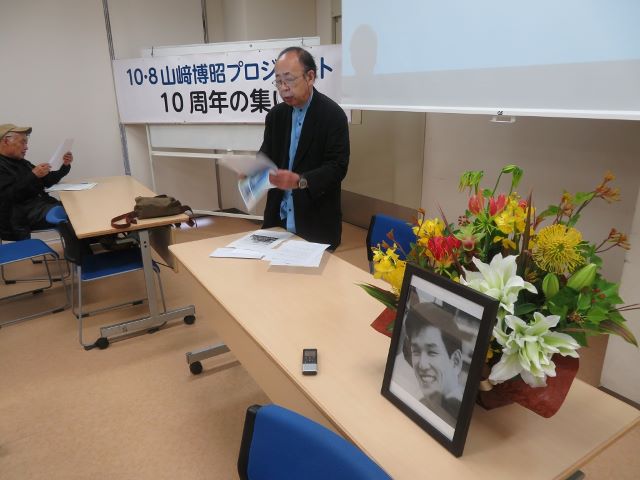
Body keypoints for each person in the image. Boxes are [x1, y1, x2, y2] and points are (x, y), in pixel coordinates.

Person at [260, 46, 350, 250]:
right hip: (278, 219)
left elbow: (337, 167)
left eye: (289, 80)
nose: (283, 88)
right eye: (278, 81)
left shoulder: (333, 115)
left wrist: (301, 181)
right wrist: (254, 170)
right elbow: (266, 154)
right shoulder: (276, 116)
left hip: (315, 222)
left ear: (310, 77)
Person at [0, 124, 73, 240]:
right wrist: (33, 175)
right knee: (71, 216)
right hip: (18, 216)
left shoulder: (22, 162)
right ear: (6, 141)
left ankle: (96, 240)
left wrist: (64, 166)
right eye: (23, 142)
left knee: (76, 208)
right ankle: (81, 250)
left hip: (40, 206)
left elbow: (47, 181)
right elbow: (9, 196)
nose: (26, 147)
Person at [402, 302, 465, 428]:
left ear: (455, 361)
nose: (422, 365)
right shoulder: (423, 404)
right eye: (416, 351)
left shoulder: (456, 419)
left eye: (432, 352)